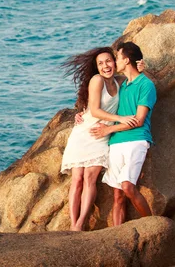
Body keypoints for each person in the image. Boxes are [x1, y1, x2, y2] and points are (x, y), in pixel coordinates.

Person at [59, 47, 140, 231]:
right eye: (100, 63)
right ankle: (74, 225)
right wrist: (120, 119)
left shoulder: (119, 81)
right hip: (83, 133)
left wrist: (141, 67)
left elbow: (135, 77)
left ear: (115, 62)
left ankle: (81, 223)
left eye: (109, 61)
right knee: (77, 179)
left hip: (102, 134)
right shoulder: (97, 80)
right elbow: (94, 111)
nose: (105, 66)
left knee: (90, 178)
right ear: (97, 67)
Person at [89, 41, 156, 226]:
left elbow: (139, 120)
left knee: (127, 186)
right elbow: (100, 101)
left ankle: (153, 226)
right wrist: (81, 113)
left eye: (117, 58)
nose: (113, 62)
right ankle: (119, 235)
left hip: (136, 140)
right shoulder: (123, 85)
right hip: (116, 143)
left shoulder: (146, 85)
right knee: (117, 195)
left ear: (126, 60)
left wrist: (108, 129)